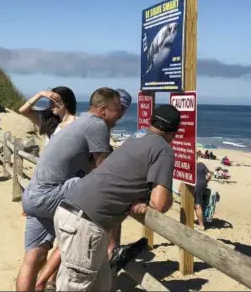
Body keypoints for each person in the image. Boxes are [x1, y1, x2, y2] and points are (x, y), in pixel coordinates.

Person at [53, 104, 179, 292]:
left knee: (101, 285)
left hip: (70, 208)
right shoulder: (163, 149)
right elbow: (160, 203)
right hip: (86, 222)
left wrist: (141, 196)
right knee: (76, 286)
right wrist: (149, 200)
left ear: (152, 121)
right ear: (173, 132)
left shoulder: (137, 136)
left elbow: (127, 174)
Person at [16, 88, 122, 292]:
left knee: (32, 259)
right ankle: (110, 247)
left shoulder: (79, 123)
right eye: (117, 110)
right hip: (50, 195)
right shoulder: (97, 125)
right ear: (103, 110)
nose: (120, 115)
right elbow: (102, 172)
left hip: (32, 195)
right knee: (89, 186)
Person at [194, 156, 213, 231]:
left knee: (197, 205)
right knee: (195, 203)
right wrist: (205, 182)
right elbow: (209, 175)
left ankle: (201, 225)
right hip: (202, 184)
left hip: (195, 185)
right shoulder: (202, 164)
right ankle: (198, 219)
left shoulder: (190, 164)